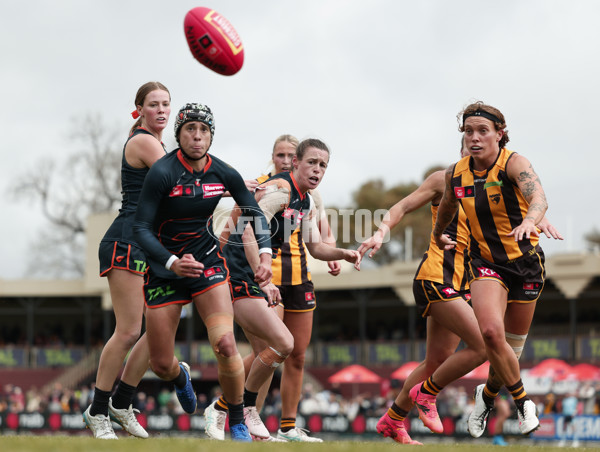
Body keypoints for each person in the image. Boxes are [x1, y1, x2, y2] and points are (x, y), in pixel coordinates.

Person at [132, 102, 274, 442]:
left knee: (226, 344)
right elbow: (140, 228)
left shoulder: (223, 172)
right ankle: (181, 376)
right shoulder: (162, 172)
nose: (197, 137)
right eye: (190, 130)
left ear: (211, 136)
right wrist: (170, 262)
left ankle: (237, 419)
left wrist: (265, 256)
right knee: (161, 364)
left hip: (209, 265)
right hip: (165, 270)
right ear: (179, 134)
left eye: (204, 131)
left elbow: (254, 213)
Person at [204, 135, 344, 443]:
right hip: (250, 275)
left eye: (323, 165)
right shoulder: (274, 189)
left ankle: (264, 420)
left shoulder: (307, 198)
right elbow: (245, 225)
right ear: (286, 161)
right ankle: (231, 410)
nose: (317, 169)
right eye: (310, 162)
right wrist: (253, 275)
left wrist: (344, 253)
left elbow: (318, 243)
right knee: (272, 347)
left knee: (285, 350)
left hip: (286, 277)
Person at [434, 101, 551, 437]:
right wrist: (439, 233)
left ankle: (485, 396)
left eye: (483, 130)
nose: (475, 137)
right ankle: (523, 403)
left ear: (499, 134)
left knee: (509, 352)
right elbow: (446, 205)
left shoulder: (515, 163)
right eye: (469, 131)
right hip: (486, 265)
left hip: (526, 265)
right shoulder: (456, 173)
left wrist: (530, 220)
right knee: (489, 335)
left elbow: (540, 198)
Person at [358, 141, 487, 445]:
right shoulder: (443, 179)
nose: (475, 147)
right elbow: (402, 206)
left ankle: (393, 419)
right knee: (482, 346)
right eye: (469, 142)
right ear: (461, 152)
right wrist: (380, 232)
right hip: (435, 277)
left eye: (482, 139)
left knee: (435, 363)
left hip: (463, 285)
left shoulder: (495, 190)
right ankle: (427, 395)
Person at [83, 81, 171, 440]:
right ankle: (98, 410)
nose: (162, 110)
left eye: (166, 103)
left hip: (150, 246)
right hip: (127, 241)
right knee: (129, 330)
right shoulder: (143, 141)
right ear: (140, 110)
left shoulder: (161, 143)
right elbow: (182, 180)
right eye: (154, 104)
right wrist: (230, 184)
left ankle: (121, 402)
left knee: (159, 330)